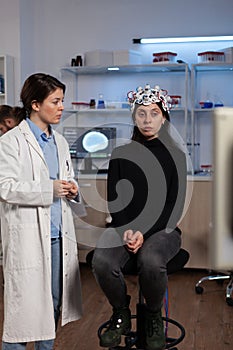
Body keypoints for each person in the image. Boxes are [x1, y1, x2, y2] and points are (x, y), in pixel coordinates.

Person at [92, 84, 187, 350]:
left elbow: (174, 207)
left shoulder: (176, 156)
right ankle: (120, 313)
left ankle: (153, 316)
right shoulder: (120, 153)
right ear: (134, 117)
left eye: (154, 113)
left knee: (151, 258)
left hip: (162, 230)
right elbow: (115, 200)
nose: (147, 120)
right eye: (141, 113)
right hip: (124, 226)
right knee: (101, 260)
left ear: (164, 117)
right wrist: (127, 230)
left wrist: (143, 233)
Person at [0, 73, 83, 350]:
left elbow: (66, 178)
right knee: (24, 310)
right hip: (28, 237)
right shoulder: (11, 142)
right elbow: (6, 187)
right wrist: (49, 189)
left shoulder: (59, 142)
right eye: (55, 101)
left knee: (52, 305)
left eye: (62, 101)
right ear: (35, 104)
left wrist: (72, 188)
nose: (61, 107)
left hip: (58, 236)